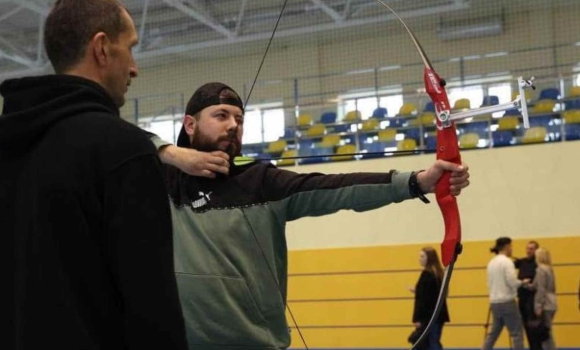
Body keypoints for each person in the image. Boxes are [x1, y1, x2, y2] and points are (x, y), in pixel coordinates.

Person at [148, 82, 471, 350]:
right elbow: (107, 137)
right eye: (221, 115)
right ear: (190, 125)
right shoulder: (160, 179)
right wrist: (171, 154)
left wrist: (416, 181)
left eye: (239, 118)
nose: (233, 125)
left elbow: (338, 188)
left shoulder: (262, 181)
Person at [0, 1, 187, 349]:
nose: (135, 68)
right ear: (101, 48)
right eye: (130, 48)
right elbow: (152, 307)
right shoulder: (123, 150)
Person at [482, 237, 529, 350]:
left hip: (494, 303)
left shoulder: (491, 263)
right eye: (511, 246)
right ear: (507, 247)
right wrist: (523, 282)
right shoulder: (507, 262)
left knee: (494, 333)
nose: (512, 249)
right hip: (507, 302)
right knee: (516, 333)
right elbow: (512, 282)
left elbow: (489, 283)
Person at [411, 247, 450, 350]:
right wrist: (418, 290)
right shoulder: (438, 273)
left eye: (422, 256)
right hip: (437, 315)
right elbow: (434, 294)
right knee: (433, 342)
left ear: (430, 258)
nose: (419, 258)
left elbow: (423, 300)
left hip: (428, 317)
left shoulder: (427, 274)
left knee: (429, 344)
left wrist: (418, 318)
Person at [514, 240, 542, 350]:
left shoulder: (538, 264)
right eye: (527, 248)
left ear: (536, 251)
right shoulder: (522, 262)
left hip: (533, 300)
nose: (528, 251)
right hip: (522, 299)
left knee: (534, 327)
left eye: (531, 249)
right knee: (526, 326)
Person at [531, 248, 557, 350]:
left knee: (546, 333)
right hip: (552, 302)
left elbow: (541, 289)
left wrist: (538, 306)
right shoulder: (549, 269)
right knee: (547, 331)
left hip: (545, 303)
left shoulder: (540, 269)